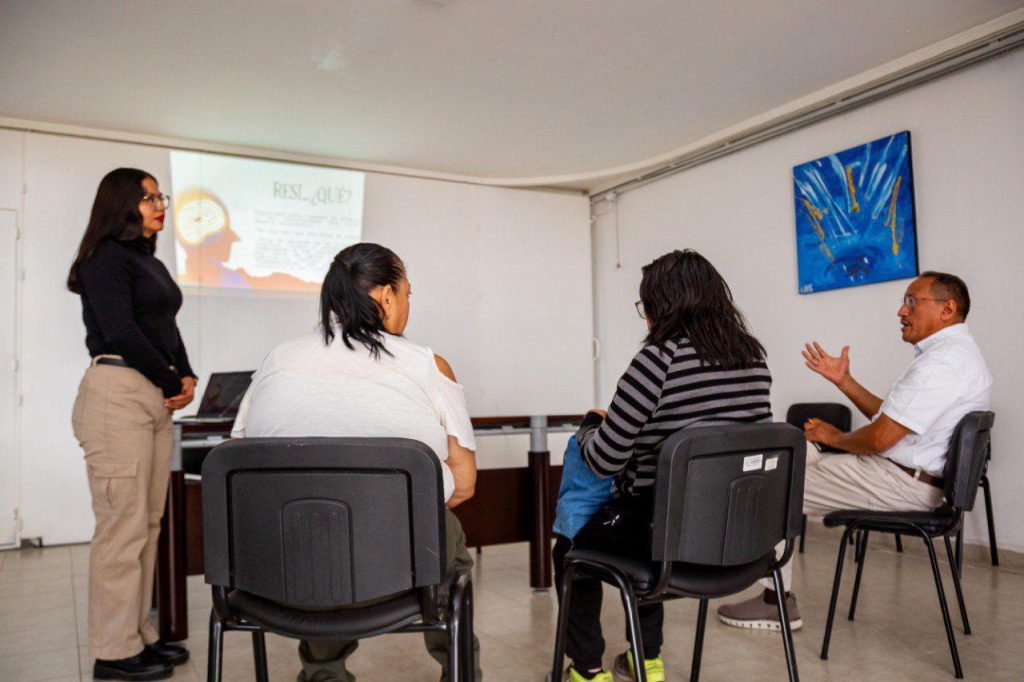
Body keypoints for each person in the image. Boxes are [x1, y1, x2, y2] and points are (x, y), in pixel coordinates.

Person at [231, 242, 482, 682]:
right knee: (442, 532)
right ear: (386, 296)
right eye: (408, 293)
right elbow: (462, 485)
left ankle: (323, 673)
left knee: (314, 524)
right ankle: (459, 669)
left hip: (284, 578)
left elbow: (243, 471)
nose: (408, 304)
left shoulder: (276, 360)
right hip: (403, 575)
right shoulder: (427, 365)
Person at [718, 271, 992, 630]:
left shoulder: (942, 363)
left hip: (900, 483)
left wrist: (835, 438)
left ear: (947, 308)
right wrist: (844, 381)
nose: (901, 311)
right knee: (796, 456)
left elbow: (880, 439)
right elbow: (891, 418)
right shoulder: (956, 355)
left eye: (912, 301)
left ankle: (775, 603)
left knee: (773, 487)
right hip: (903, 475)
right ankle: (773, 592)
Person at [551, 249, 773, 682]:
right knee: (660, 516)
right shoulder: (753, 359)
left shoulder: (657, 360)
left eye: (645, 306)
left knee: (572, 547)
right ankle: (646, 661)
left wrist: (591, 429)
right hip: (741, 541)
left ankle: (587, 670)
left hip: (665, 543)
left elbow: (605, 460)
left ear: (662, 305)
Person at [68, 168, 197, 680]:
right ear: (122, 204)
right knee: (121, 530)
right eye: (146, 197)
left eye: (158, 195)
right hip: (117, 395)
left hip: (152, 395)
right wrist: (170, 380)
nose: (158, 204)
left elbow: (166, 326)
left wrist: (183, 372)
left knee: (147, 525)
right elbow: (120, 331)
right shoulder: (104, 258)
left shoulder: (150, 263)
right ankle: (113, 652)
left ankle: (139, 637)